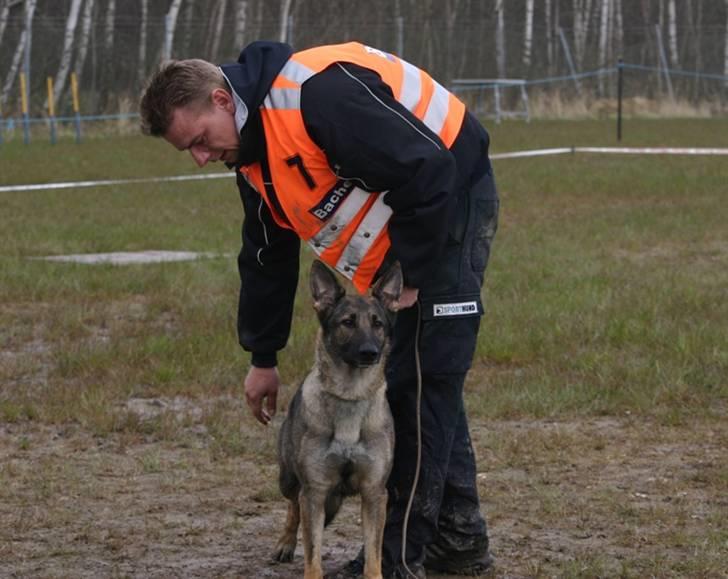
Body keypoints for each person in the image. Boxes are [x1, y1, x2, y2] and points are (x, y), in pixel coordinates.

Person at [140, 40, 499, 579]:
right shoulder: (250, 154)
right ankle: (460, 539)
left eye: (198, 141)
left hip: (451, 200)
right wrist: (262, 356)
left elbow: (429, 167)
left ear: (220, 100)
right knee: (424, 380)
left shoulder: (316, 96)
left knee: (422, 381)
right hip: (409, 226)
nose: (200, 157)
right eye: (186, 151)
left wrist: (415, 275)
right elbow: (266, 256)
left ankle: (397, 561)